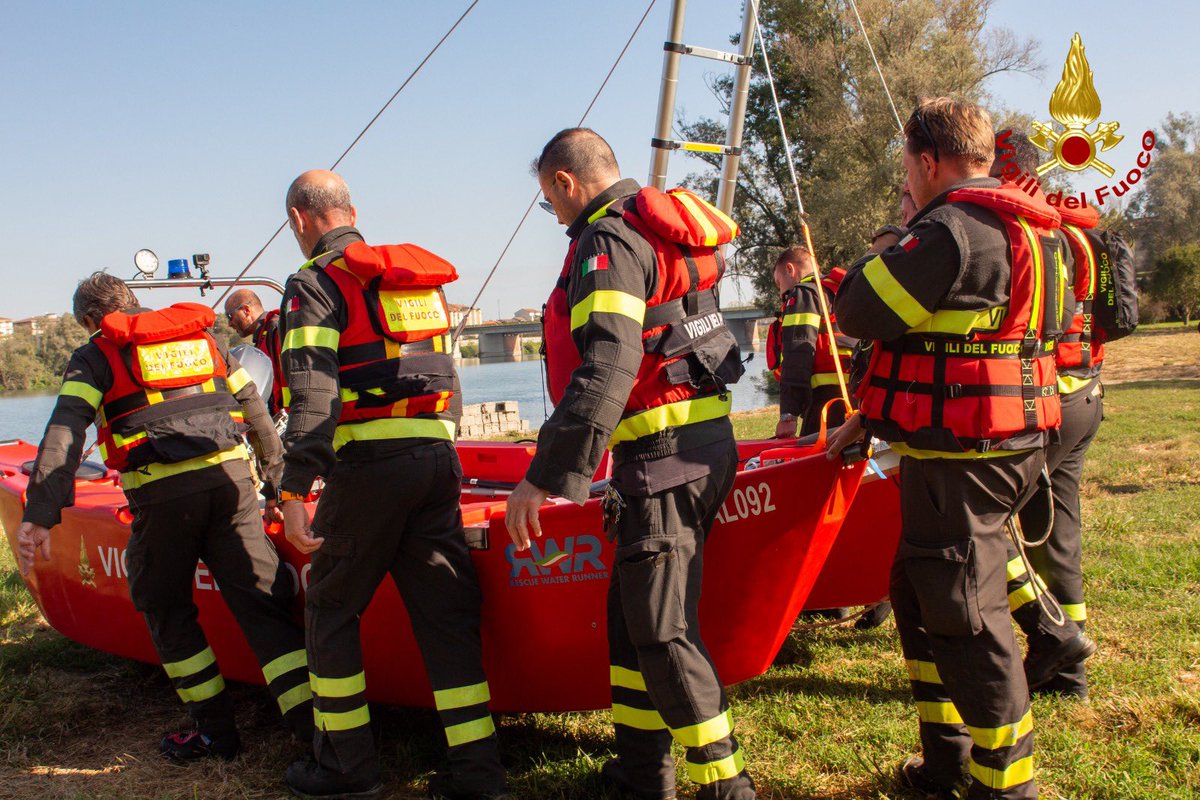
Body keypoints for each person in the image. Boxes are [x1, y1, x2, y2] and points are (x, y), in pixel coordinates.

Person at [829, 98, 1089, 799]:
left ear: (928, 160)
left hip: (966, 459)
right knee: (915, 593)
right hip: (1005, 442)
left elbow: (856, 310)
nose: (906, 183)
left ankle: (1005, 786)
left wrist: (883, 249)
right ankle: (944, 759)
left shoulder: (948, 229)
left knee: (969, 621)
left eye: (906, 168)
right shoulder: (1036, 230)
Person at [504, 128, 755, 800]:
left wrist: (545, 476)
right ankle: (643, 773)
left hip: (664, 462)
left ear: (564, 182)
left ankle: (725, 785)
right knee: (630, 623)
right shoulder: (659, 229)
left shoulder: (606, 241)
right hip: (702, 447)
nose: (554, 216)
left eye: (548, 200)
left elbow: (609, 365)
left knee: (663, 631)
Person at [275, 169, 505, 800]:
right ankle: (478, 774)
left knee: (329, 608)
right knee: (445, 615)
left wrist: (294, 491)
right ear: (352, 210)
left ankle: (345, 768)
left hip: (369, 471)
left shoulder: (316, 284)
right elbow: (447, 375)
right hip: (435, 462)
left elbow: (312, 395)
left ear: (299, 219)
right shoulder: (410, 282)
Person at [17, 272, 312, 761]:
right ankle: (317, 734)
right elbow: (256, 410)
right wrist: (282, 486)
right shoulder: (202, 340)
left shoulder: (96, 354)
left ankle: (216, 732)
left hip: (163, 496)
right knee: (262, 604)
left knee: (165, 606)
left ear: (94, 320)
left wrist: (41, 513)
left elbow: (66, 429)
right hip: (232, 488)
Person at [998, 131, 1105, 698]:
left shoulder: (1028, 229)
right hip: (1087, 390)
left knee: (987, 523)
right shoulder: (1081, 231)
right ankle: (1070, 675)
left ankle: (1052, 640)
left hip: (1047, 401)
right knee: (1058, 534)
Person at [770, 246, 855, 439]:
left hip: (825, 405)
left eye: (778, 283)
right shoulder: (842, 291)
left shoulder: (804, 294)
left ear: (790, 269)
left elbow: (798, 353)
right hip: (857, 400)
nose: (780, 292)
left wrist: (788, 416)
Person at [225, 288, 285, 418]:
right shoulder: (263, 335)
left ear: (246, 310)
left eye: (230, 316)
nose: (229, 323)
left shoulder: (276, 330)